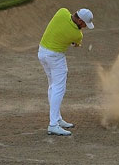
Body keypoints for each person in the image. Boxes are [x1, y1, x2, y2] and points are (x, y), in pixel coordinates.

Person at [38, 8, 94, 136]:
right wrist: (76, 40)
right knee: (59, 88)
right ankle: (53, 125)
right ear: (80, 21)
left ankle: (57, 119)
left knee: (52, 85)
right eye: (84, 24)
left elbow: (62, 23)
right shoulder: (77, 34)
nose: (85, 27)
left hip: (42, 52)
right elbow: (76, 43)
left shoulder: (62, 11)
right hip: (55, 57)